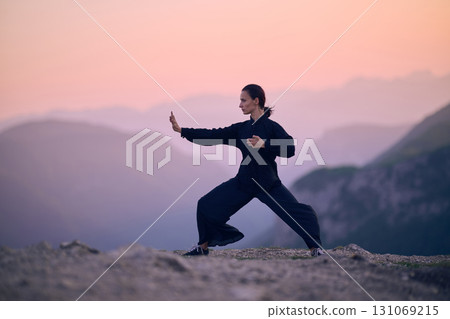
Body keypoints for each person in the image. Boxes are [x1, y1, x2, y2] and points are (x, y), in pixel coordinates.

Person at [169, 84, 324, 257]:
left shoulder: (272, 127)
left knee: (299, 213)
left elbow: (290, 149)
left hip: (268, 184)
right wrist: (182, 131)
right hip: (243, 183)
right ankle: (202, 247)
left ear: (256, 101)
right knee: (205, 204)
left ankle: (315, 249)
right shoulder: (241, 129)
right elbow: (212, 135)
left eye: (244, 100)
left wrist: (264, 144)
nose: (240, 105)